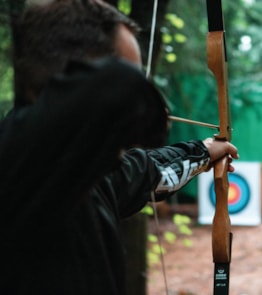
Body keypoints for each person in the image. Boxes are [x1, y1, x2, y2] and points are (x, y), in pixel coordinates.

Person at [0, 0, 238, 294]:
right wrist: (139, 106)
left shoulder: (94, 176)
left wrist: (203, 152)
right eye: (133, 74)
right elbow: (118, 86)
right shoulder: (17, 164)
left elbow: (148, 171)